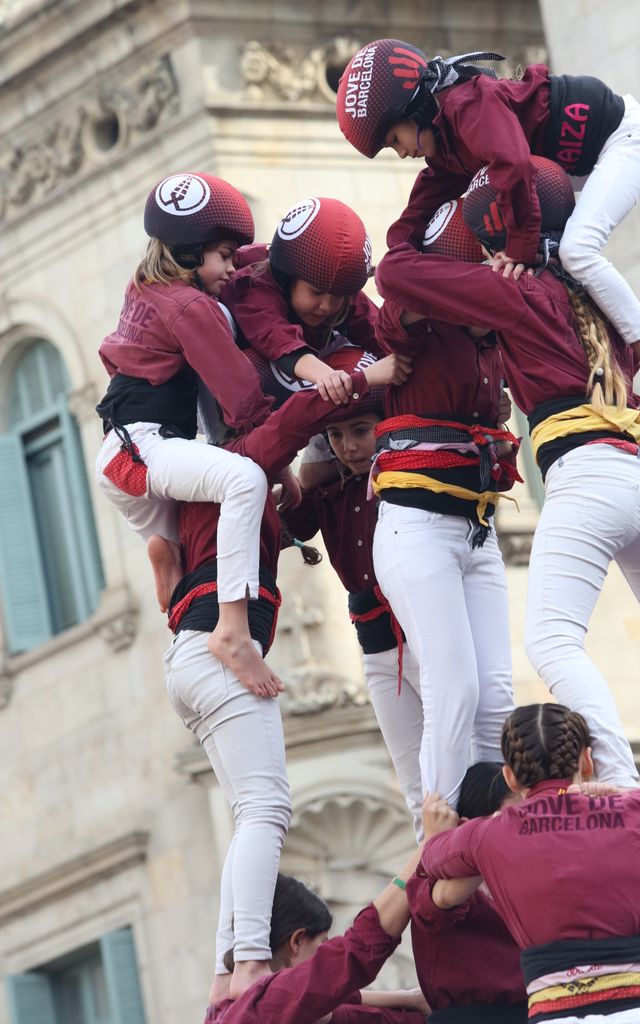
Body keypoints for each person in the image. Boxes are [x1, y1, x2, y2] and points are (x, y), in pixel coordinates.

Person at [374, 161, 640, 789]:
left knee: (550, 642)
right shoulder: (594, 280)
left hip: (590, 476)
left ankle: (621, 787)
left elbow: (396, 272)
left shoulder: (514, 292)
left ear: (497, 235)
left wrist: (441, 177)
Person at [155, 348, 410, 1004]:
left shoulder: (199, 484)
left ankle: (224, 974)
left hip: (187, 657)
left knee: (250, 813)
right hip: (218, 649)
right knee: (266, 809)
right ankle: (246, 966)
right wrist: (361, 376)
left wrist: (296, 485)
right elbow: (296, 421)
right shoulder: (234, 464)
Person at [336, 40, 640, 417]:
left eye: (394, 140)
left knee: (578, 251)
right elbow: (418, 209)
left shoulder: (467, 105)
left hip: (628, 139)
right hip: (592, 162)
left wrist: (519, 248)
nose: (401, 152)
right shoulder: (449, 149)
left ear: (417, 107)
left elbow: (514, 166)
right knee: (560, 256)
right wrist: (397, 258)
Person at [94, 171, 281, 695]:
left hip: (122, 460)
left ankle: (167, 554)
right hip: (146, 451)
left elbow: (232, 263)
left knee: (189, 534)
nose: (229, 267)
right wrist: (281, 442)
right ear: (193, 252)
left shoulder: (148, 283)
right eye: (223, 255)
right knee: (243, 482)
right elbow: (242, 396)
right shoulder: (191, 308)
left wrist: (279, 254)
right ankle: (233, 630)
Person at [370, 202, 520, 809]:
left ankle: (490, 840)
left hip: (476, 534)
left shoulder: (494, 348)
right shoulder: (422, 329)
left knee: (496, 698)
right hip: (417, 531)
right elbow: (396, 280)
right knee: (453, 687)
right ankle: (438, 841)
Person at [421, 703, 640, 1023]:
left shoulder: (489, 834)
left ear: (510, 777)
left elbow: (434, 860)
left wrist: (436, 836)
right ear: (587, 761)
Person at [281, 352, 425, 837]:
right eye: (336, 436)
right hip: (377, 646)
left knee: (461, 757)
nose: (348, 446)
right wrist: (306, 464)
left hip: (422, 629)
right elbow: (285, 525)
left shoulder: (410, 475)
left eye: (361, 430)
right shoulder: (327, 491)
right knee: (414, 782)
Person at [202, 794, 456, 1023]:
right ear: (296, 941)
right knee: (262, 806)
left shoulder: (228, 1011)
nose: (326, 950)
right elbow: (358, 950)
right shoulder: (265, 1007)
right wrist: (427, 847)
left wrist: (409, 998)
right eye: (322, 943)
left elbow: (339, 1005)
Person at [223, 197, 382, 409]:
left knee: (365, 363)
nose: (326, 306)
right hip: (230, 394)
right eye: (316, 292)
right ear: (286, 278)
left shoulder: (340, 288)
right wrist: (327, 375)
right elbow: (277, 338)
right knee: (255, 363)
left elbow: (381, 333)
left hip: (304, 369)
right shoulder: (252, 284)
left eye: (337, 296)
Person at [408, 762, 526, 1022]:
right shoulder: (437, 883)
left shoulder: (530, 881)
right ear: (468, 826)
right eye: (510, 820)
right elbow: (435, 905)